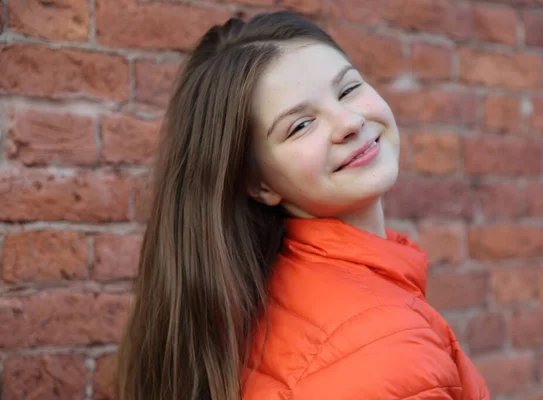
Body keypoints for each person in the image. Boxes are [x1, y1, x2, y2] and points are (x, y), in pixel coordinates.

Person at [116, 10, 490, 400]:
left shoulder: (260, 289)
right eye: (300, 125)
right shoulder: (387, 344)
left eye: (347, 89)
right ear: (259, 185)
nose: (348, 121)